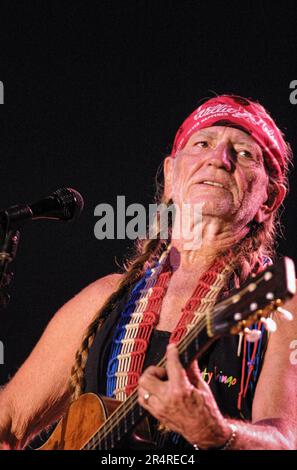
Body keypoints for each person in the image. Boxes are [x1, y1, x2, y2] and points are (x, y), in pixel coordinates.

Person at [0, 94, 296, 450]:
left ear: (270, 199)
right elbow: (10, 420)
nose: (219, 159)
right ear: (171, 176)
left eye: (245, 153)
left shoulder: (284, 304)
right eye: (202, 143)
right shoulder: (104, 300)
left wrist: (217, 434)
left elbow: (286, 438)